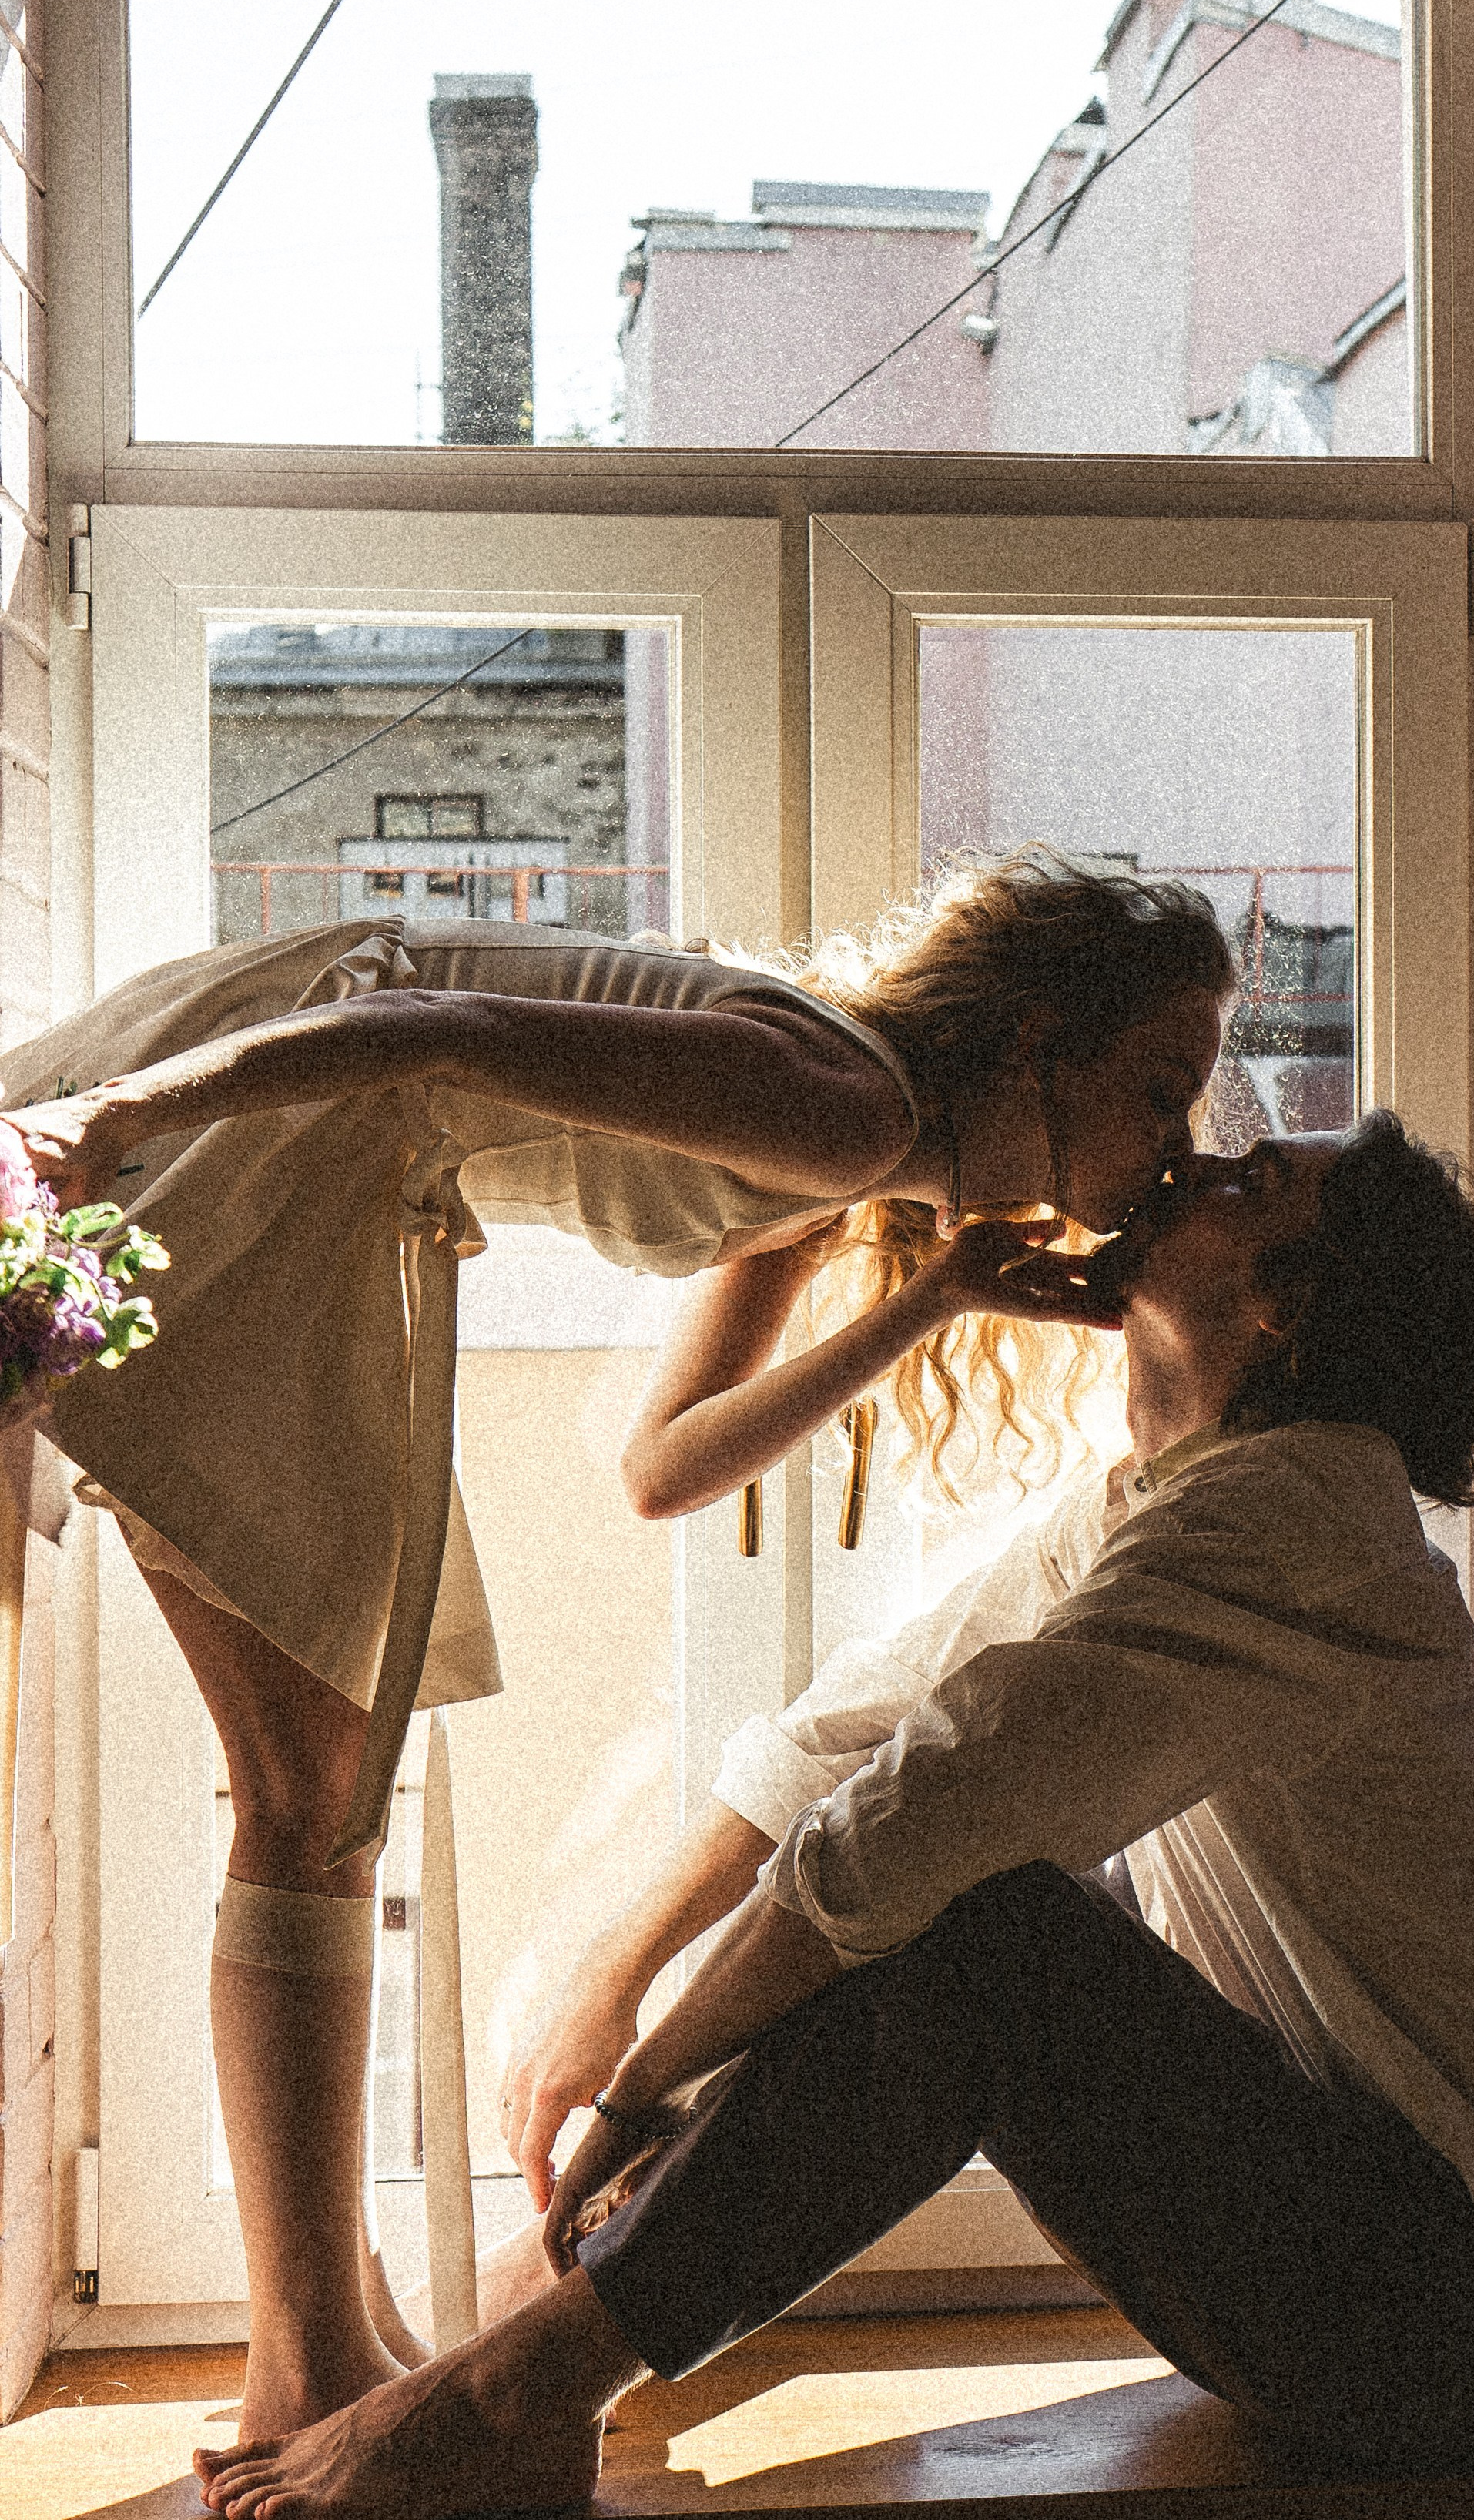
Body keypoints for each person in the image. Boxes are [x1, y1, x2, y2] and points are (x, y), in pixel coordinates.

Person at [192, 1116, 1474, 2520]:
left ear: (1280, 1305)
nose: (1185, 1163)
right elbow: (855, 1729)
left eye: (1251, 1183)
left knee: (987, 1929)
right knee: (953, 1881)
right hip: (1346, 2258)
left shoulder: (1300, 1519)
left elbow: (907, 1825)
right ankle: (537, 2357)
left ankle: (514, 2392)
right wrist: (610, 1979)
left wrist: (640, 2095)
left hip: (1438, 2331)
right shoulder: (1162, 1501)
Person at [1, 851, 1230, 2438]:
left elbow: (668, 1466)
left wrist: (933, 1298)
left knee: (312, 1802)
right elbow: (423, 1023)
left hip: (320, 1157)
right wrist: (119, 1120)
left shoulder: (854, 1149)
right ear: (1034, 1047)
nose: (1174, 1146)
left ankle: (319, 2330)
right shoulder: (842, 1106)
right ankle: (302, 2364)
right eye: (1158, 1089)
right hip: (274, 1130)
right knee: (312, 1801)